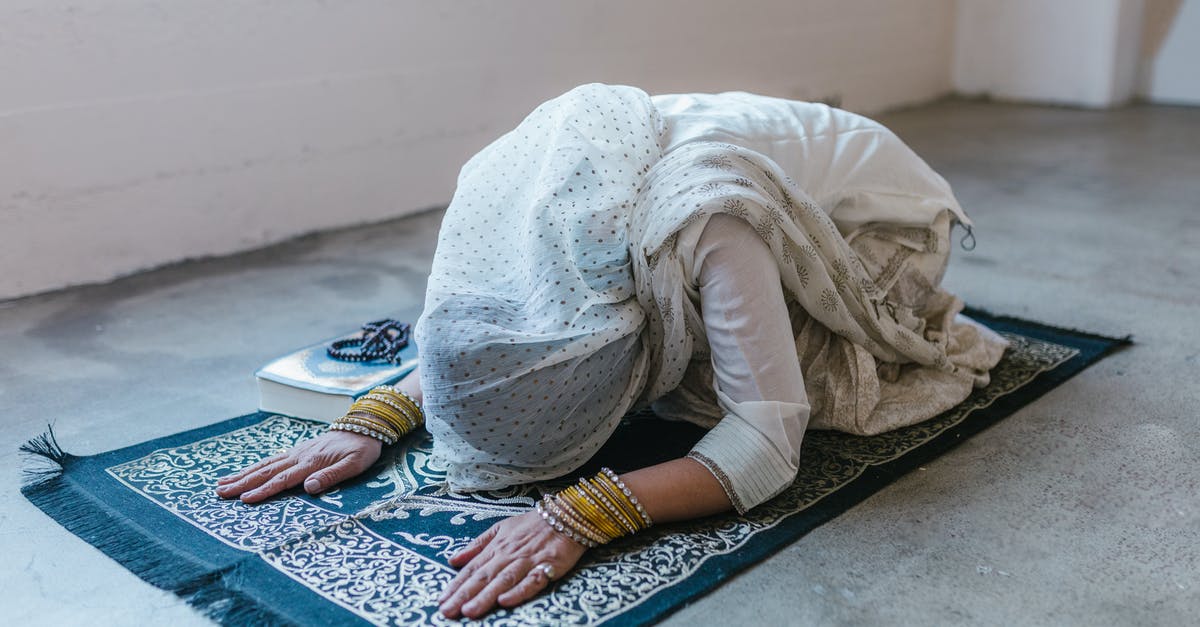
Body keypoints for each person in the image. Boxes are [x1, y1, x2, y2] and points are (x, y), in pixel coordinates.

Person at [216, 84, 1008, 619]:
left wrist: (585, 510)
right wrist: (379, 412)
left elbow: (769, 441)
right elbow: (496, 321)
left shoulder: (711, 220)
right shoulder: (503, 188)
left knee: (748, 389)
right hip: (716, 191)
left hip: (887, 220)